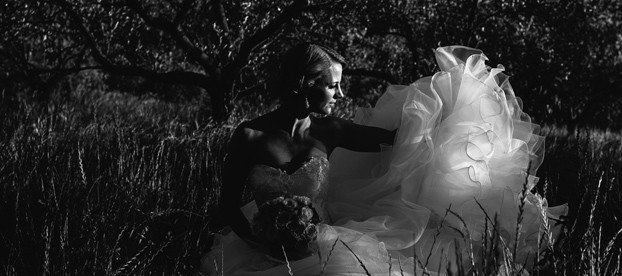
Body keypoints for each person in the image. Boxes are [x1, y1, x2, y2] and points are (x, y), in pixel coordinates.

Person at [201, 43, 567, 275]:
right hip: (258, 249)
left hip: (321, 244)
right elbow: (229, 205)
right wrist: (261, 241)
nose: (340, 95)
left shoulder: (331, 131)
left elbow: (397, 140)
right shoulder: (249, 136)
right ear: (305, 84)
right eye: (332, 85)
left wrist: (449, 112)